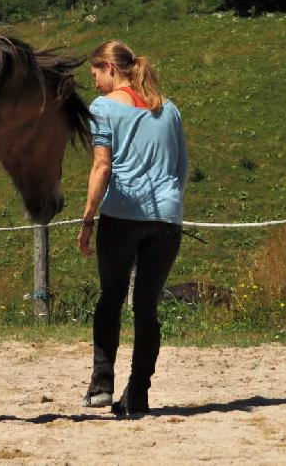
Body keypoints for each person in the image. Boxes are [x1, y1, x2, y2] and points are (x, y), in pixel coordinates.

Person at [77, 40, 188, 416]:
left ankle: (101, 384)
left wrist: (88, 217)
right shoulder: (169, 109)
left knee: (110, 298)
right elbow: (181, 170)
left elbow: (102, 168)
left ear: (110, 67)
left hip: (123, 215)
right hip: (167, 219)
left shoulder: (103, 108)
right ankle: (138, 392)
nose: (93, 83)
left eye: (95, 73)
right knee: (147, 308)